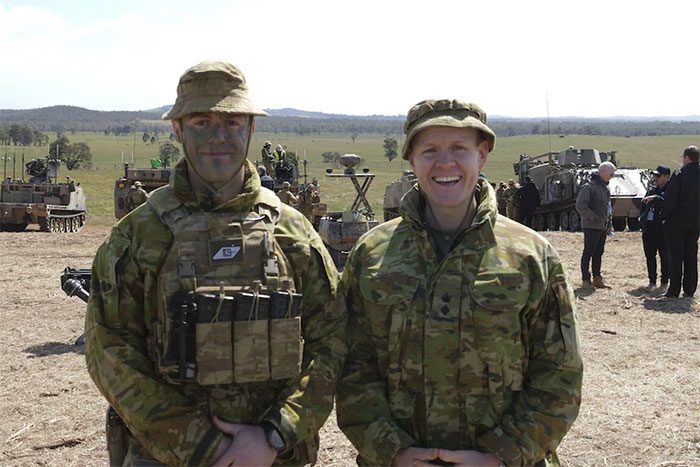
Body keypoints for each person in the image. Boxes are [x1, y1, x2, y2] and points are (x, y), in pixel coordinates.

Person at [84, 61, 346, 466]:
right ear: (177, 129)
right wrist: (203, 446)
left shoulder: (293, 234)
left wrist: (275, 433)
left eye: (232, 121)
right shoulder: (139, 236)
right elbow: (109, 353)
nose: (218, 136)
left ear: (251, 129)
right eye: (202, 121)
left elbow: (332, 344)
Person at [336, 99, 583, 467]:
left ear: (481, 156)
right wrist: (394, 451)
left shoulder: (531, 256)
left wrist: (501, 455)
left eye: (459, 149)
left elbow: (559, 376)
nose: (445, 163)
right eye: (430, 150)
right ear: (411, 159)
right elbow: (351, 367)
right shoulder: (372, 255)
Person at [661, 145, 699, 298]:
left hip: (677, 221)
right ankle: (689, 289)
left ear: (687, 157)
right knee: (691, 254)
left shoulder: (680, 174)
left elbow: (671, 199)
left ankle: (674, 290)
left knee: (676, 256)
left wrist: (664, 215)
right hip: (696, 221)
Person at [575, 161, 616, 289]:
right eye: (611, 174)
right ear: (603, 172)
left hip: (602, 226)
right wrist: (593, 217)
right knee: (588, 252)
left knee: (599, 253)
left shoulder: (605, 188)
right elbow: (580, 205)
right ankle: (586, 280)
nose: (612, 176)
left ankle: (597, 278)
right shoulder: (589, 187)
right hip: (591, 225)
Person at [639, 165, 671, 290]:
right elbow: (643, 205)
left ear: (666, 177)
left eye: (658, 175)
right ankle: (652, 281)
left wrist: (657, 198)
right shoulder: (652, 190)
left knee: (664, 255)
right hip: (649, 228)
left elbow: (670, 204)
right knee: (650, 255)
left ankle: (664, 282)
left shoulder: (671, 190)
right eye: (654, 175)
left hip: (662, 229)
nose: (655, 178)